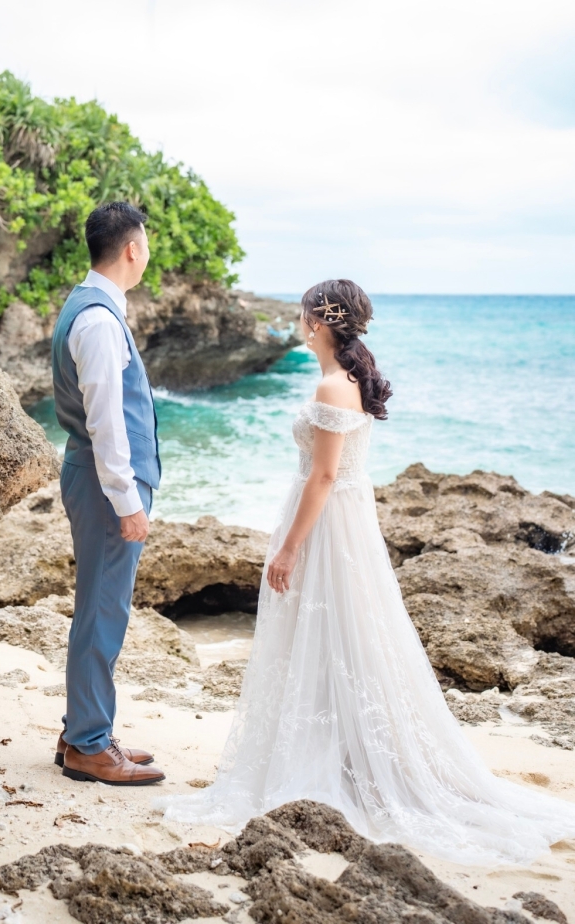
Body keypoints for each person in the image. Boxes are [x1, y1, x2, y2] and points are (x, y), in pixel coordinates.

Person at [161, 278, 575, 864]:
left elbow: (324, 477)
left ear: (317, 322)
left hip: (328, 526)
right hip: (345, 522)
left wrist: (287, 549)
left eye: (304, 315)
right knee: (340, 639)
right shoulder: (350, 379)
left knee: (333, 636)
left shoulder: (333, 386)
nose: (300, 324)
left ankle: (339, 764)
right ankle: (343, 754)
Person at [51, 201, 165, 786]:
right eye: (145, 243)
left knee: (98, 604)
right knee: (102, 609)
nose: (147, 253)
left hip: (93, 476)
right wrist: (128, 501)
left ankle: (82, 731)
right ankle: (90, 746)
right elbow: (106, 423)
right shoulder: (98, 320)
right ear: (130, 249)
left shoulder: (91, 307)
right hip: (102, 483)